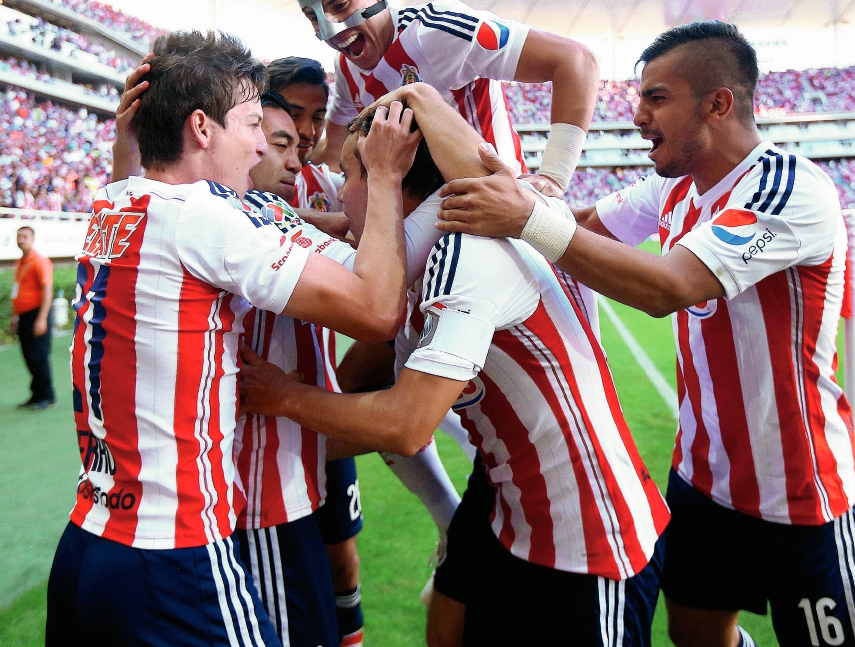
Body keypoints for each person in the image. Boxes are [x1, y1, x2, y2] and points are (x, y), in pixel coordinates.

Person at [430, 21, 855, 647]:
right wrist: (510, 199)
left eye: (656, 98)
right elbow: (576, 227)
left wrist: (527, 215)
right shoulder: (673, 186)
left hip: (801, 492)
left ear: (718, 103)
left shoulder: (787, 189)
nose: (637, 115)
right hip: (702, 478)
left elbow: (669, 287)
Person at [237, 87, 669, 647]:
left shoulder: (469, 253)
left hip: (585, 538)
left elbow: (406, 425)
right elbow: (359, 398)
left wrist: (280, 398)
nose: (343, 197)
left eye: (350, 175)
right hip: (506, 507)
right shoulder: (423, 260)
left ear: (389, 175)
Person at [47, 30, 420, 647]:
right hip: (175, 553)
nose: (258, 146)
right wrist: (382, 179)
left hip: (89, 542)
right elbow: (378, 313)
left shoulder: (115, 204)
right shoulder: (201, 217)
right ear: (201, 128)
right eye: (252, 123)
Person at [287, 0, 597, 200]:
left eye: (340, 6)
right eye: (314, 18)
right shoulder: (346, 67)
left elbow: (576, 60)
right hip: (428, 219)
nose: (331, 31)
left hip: (497, 207)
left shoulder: (435, 31)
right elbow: (333, 156)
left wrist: (554, 175)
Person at [11, 225, 55, 410]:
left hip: (37, 313)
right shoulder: (21, 262)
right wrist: (15, 316)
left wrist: (42, 318)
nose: (21, 239)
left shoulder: (39, 261)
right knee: (29, 357)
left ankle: (47, 396)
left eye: (25, 236)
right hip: (23, 316)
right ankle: (36, 394)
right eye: (19, 236)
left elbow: (47, 290)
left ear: (33, 239)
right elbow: (18, 290)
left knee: (39, 357)